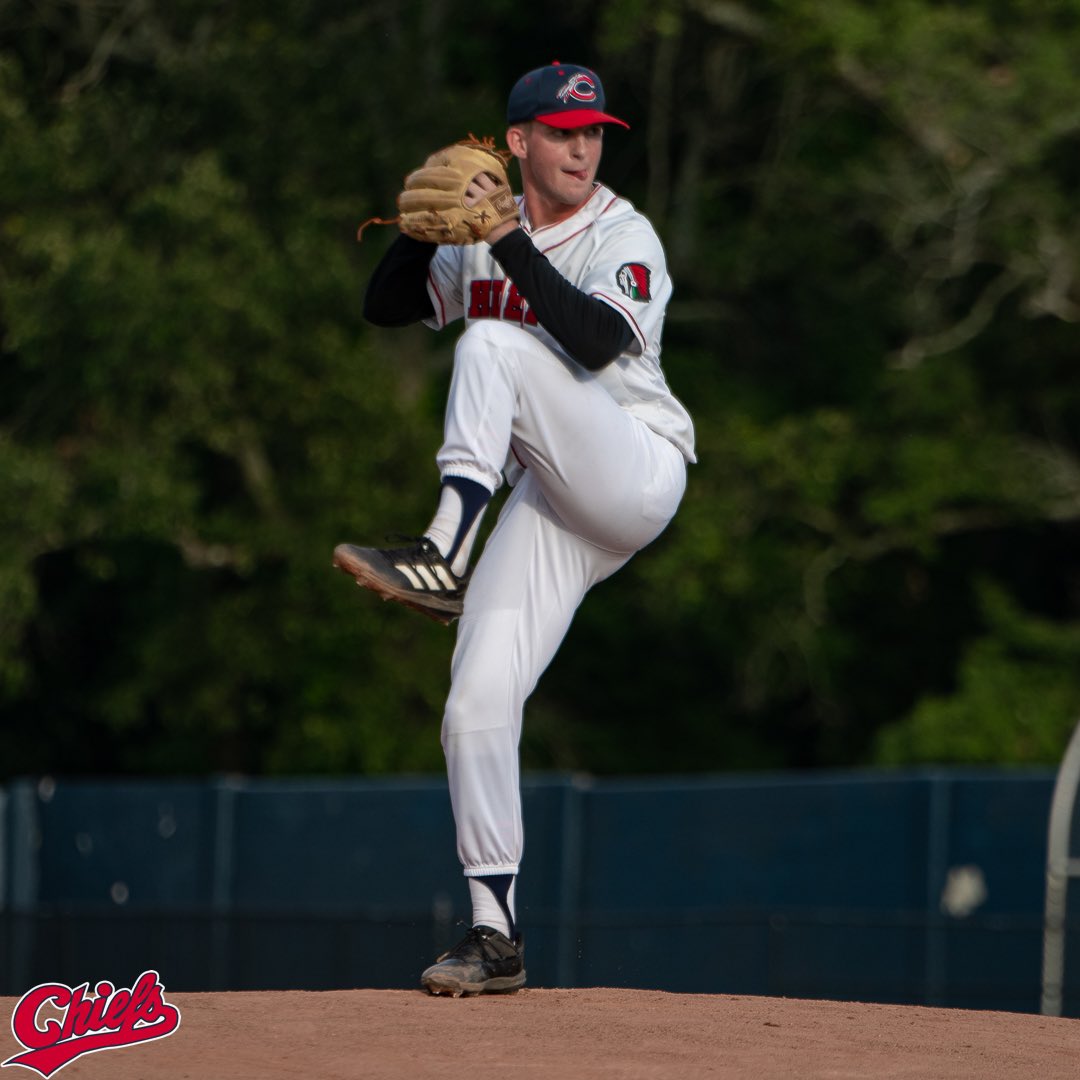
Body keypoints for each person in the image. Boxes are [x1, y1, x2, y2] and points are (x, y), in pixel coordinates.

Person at [334, 61, 696, 996]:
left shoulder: (623, 232)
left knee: (494, 341)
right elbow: (383, 307)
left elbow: (591, 341)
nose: (583, 146)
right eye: (563, 131)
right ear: (521, 141)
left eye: (594, 132)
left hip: (631, 466)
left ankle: (444, 550)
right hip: (550, 504)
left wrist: (508, 240)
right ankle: (495, 936)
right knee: (474, 705)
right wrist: (419, 235)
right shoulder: (487, 220)